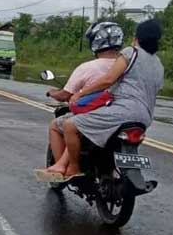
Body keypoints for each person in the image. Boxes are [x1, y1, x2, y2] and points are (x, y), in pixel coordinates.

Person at [60, 19, 165, 180]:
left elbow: (108, 80)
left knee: (69, 125)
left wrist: (81, 94)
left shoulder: (131, 52)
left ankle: (73, 167)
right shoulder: (158, 63)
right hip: (145, 117)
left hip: (122, 112)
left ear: (138, 37)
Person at [43, 22, 124, 175]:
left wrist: (52, 92)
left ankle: (62, 168)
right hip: (121, 115)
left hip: (93, 116)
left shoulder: (88, 67)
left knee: (55, 125)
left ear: (95, 42)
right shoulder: (127, 66)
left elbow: (66, 95)